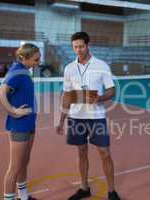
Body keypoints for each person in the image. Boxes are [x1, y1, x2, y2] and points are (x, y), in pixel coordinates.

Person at [56, 32, 120, 200]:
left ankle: (112, 191)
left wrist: (100, 98)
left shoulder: (101, 65)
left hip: (96, 116)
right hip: (76, 117)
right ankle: (84, 188)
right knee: (81, 151)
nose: (78, 50)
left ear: (88, 45)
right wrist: (61, 119)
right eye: (75, 47)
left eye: (81, 46)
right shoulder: (69, 68)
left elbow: (111, 90)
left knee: (104, 152)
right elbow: (67, 95)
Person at [0, 43, 40, 200]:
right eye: (35, 60)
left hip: (29, 123)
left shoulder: (24, 70)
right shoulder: (17, 72)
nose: (38, 62)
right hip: (19, 125)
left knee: (24, 162)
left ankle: (23, 196)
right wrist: (14, 112)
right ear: (24, 58)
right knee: (14, 167)